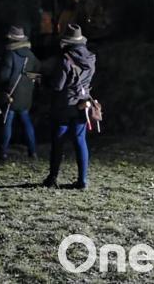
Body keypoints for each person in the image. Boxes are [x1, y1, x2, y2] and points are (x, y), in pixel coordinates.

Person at [43, 24, 96, 190]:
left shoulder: (66, 59)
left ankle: (52, 178)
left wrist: (44, 81)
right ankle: (82, 180)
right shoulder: (91, 58)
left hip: (65, 105)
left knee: (58, 141)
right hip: (83, 103)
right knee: (80, 141)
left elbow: (58, 86)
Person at [0, 26, 41, 160]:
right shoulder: (30, 54)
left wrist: (1, 89)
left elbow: (4, 76)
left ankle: (2, 152)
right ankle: (33, 151)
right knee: (27, 122)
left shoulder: (11, 54)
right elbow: (37, 70)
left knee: (7, 122)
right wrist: (29, 82)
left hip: (11, 95)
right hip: (26, 95)